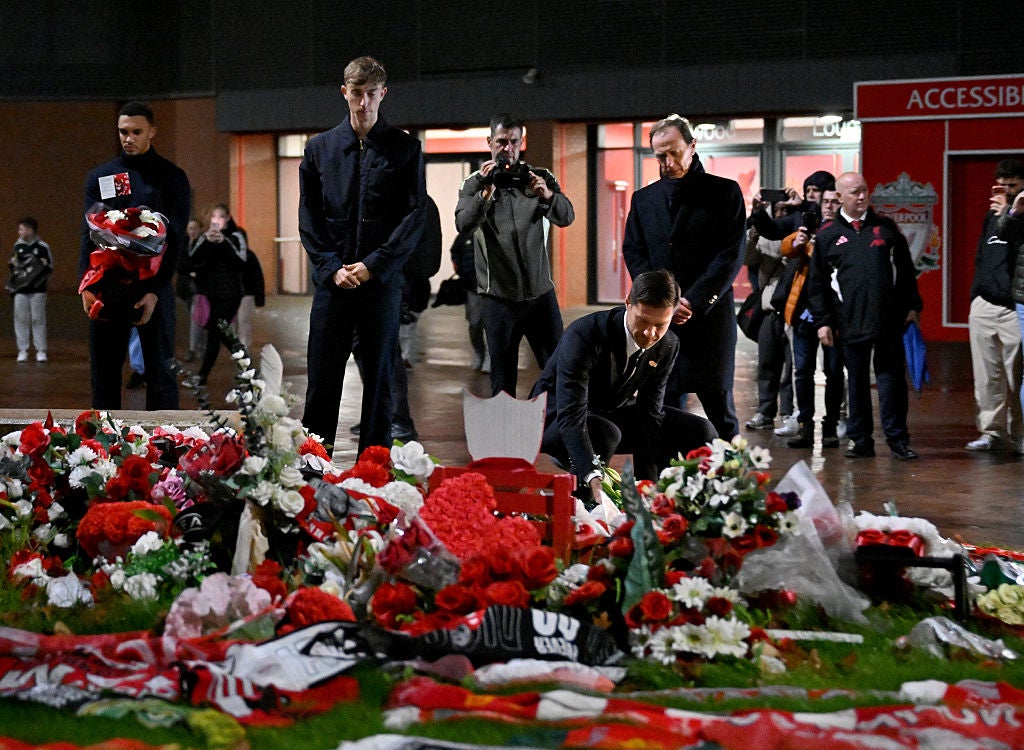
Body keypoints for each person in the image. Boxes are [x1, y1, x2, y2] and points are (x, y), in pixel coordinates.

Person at [299, 56, 426, 455]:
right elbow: (309, 217)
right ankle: (313, 465)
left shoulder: (406, 149)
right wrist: (331, 266)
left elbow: (414, 216)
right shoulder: (319, 149)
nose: (364, 102)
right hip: (333, 283)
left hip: (380, 285)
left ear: (383, 94)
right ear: (344, 92)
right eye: (357, 93)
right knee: (322, 377)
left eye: (372, 94)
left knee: (381, 381)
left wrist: (375, 265)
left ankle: (375, 466)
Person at [530, 269, 717, 501]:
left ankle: (675, 504)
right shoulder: (585, 334)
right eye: (642, 321)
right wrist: (590, 473)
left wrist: (647, 485)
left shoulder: (668, 344)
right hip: (555, 418)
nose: (650, 334)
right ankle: (584, 509)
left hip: (609, 412)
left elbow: (650, 415)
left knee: (701, 431)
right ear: (628, 303)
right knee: (605, 433)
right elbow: (571, 414)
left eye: (661, 324)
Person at [622, 115, 746, 439]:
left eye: (673, 152)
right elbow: (635, 252)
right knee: (662, 405)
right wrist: (661, 300)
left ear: (692, 146)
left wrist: (692, 299)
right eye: (659, 155)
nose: (666, 161)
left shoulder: (725, 193)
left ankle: (732, 479)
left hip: (709, 318)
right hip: (661, 321)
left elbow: (730, 255)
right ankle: (666, 483)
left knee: (719, 405)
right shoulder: (643, 199)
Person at [79, 100, 191, 410]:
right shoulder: (102, 176)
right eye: (123, 132)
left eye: (136, 132)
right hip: (108, 285)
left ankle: (164, 449)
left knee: (161, 377)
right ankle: (101, 453)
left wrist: (156, 291)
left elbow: (176, 239)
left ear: (152, 132)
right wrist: (85, 285)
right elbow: (88, 234)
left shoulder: (172, 177)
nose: (128, 138)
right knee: (103, 376)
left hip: (152, 287)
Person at [455, 113, 574, 396]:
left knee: (559, 370)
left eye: (513, 142)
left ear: (522, 143)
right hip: (498, 298)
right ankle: (503, 437)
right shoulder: (475, 182)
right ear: (489, 142)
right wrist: (485, 193)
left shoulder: (540, 177)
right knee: (502, 379)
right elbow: (463, 225)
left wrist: (547, 196)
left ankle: (552, 431)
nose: (507, 148)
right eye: (501, 142)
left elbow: (567, 216)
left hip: (540, 295)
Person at [807, 172, 922, 459]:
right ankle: (860, 441)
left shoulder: (886, 228)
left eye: (864, 190)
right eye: (854, 192)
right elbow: (818, 284)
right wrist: (823, 322)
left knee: (892, 382)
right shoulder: (828, 236)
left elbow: (906, 272)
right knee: (856, 383)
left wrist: (912, 306)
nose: (861, 197)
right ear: (840, 197)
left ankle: (898, 440)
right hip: (849, 322)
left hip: (888, 321)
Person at [773, 188, 846, 449]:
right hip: (803, 313)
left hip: (835, 314)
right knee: (802, 371)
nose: (829, 206)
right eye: (825, 202)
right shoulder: (809, 226)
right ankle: (805, 425)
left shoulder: (844, 233)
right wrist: (800, 240)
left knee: (834, 372)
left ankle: (831, 425)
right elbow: (785, 248)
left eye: (834, 202)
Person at [965, 159, 1024, 453]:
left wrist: (1011, 217)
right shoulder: (991, 216)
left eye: (1013, 185)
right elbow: (983, 254)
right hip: (985, 305)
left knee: (1018, 375)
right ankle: (992, 432)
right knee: (987, 376)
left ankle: (1020, 433)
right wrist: (976, 294)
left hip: (1015, 308)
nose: (1007, 191)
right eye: (1003, 185)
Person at [181, 204, 247, 387]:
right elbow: (191, 261)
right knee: (221, 333)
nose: (217, 220)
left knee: (215, 331)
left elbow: (241, 261)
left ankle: (202, 376)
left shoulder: (236, 235)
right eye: (214, 217)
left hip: (231, 293)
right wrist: (206, 241)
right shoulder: (205, 237)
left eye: (221, 217)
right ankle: (247, 368)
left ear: (227, 219)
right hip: (213, 294)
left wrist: (223, 242)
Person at [743, 203, 796, 433]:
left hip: (793, 312)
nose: (781, 215)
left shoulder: (801, 234)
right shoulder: (764, 236)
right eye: (778, 210)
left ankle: (787, 413)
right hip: (769, 310)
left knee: (792, 367)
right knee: (767, 364)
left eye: (787, 211)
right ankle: (765, 412)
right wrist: (754, 232)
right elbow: (746, 258)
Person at [8, 217, 53, 363]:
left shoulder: (42, 247)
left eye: (22, 229)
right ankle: (23, 350)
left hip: (38, 290)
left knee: (37, 319)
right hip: (21, 291)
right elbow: (13, 266)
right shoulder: (17, 247)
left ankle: (41, 350)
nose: (19, 232)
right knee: (21, 319)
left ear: (30, 230)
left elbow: (49, 267)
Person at [449, 227, 489, 372]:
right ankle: (479, 354)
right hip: (472, 287)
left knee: (492, 326)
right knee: (474, 324)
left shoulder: (497, 232)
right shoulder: (465, 235)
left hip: (493, 289)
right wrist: (459, 269)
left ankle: (490, 360)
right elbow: (455, 252)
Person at [235, 244, 265, 350]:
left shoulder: (248, 256)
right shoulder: (233, 254)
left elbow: (257, 277)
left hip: (246, 293)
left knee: (243, 319)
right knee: (239, 320)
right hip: (237, 293)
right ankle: (242, 344)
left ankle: (244, 345)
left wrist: (259, 297)